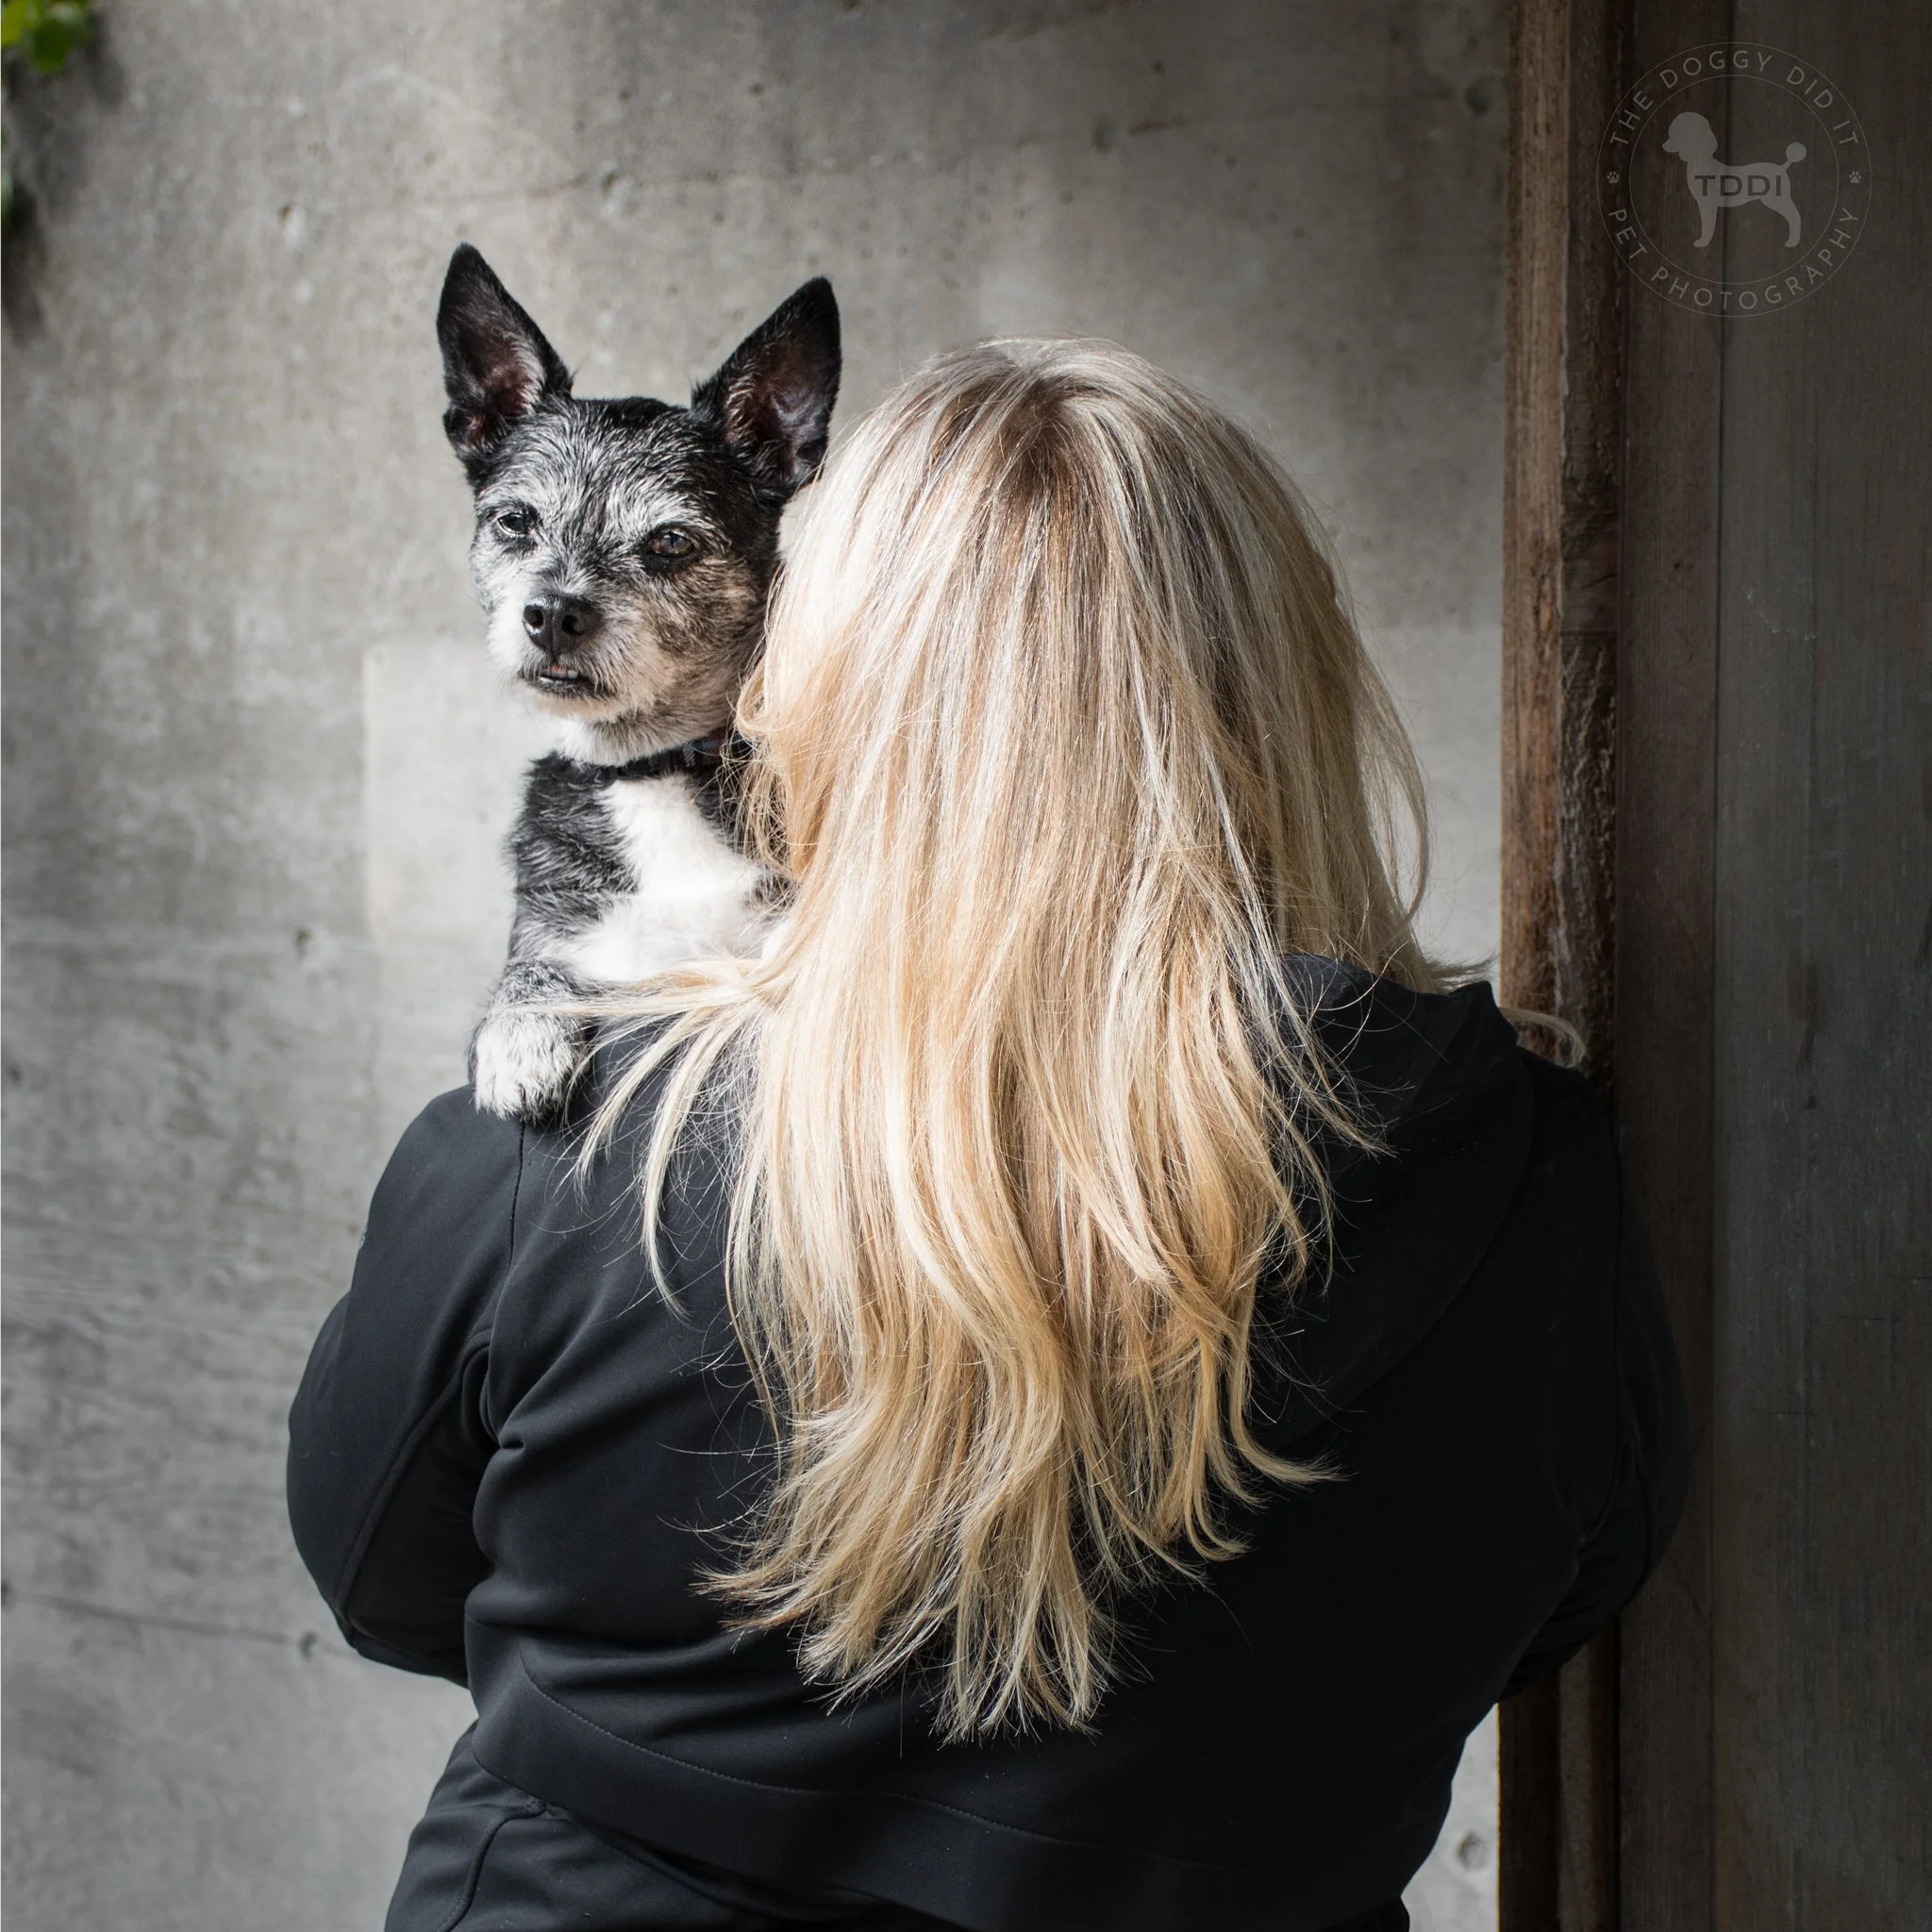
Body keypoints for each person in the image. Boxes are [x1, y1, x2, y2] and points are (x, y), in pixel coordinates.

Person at [288, 341, 1687, 1932]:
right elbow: (1553, 1597)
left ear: (801, 675)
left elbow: (382, 1580)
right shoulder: (1536, 1175)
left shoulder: (547, 1141)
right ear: (1293, 690)